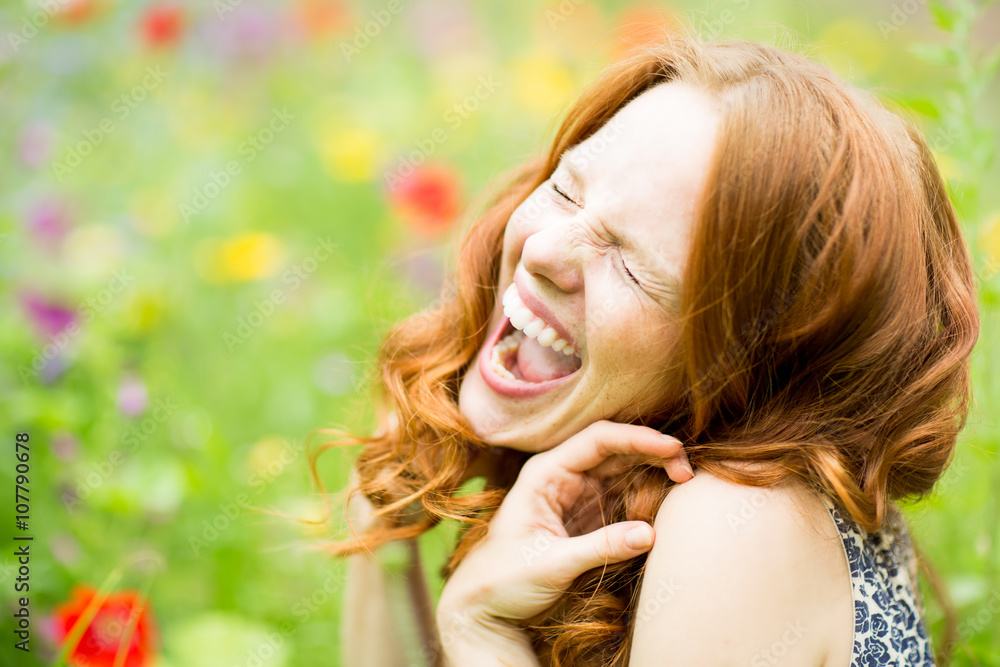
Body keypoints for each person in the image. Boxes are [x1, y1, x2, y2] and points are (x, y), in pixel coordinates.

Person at [319, 31, 980, 667]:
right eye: (566, 188)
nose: (545, 249)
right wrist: (385, 526)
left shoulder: (738, 524)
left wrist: (482, 635)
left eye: (634, 267)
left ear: (749, 368)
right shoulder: (667, 491)